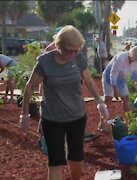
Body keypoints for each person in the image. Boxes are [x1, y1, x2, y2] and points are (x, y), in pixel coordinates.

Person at [19, 25, 109, 180]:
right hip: (52, 119)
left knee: (76, 156)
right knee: (56, 161)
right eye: (69, 50)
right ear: (58, 45)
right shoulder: (45, 62)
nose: (73, 54)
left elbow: (88, 81)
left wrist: (100, 102)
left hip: (77, 116)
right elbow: (29, 88)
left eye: (76, 50)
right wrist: (25, 115)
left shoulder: (78, 58)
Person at [100, 46, 137, 128]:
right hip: (109, 78)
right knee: (108, 99)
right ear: (131, 56)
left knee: (126, 99)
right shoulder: (120, 59)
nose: (136, 61)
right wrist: (115, 90)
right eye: (135, 59)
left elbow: (135, 71)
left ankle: (129, 121)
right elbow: (113, 75)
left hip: (121, 79)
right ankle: (102, 122)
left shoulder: (136, 60)